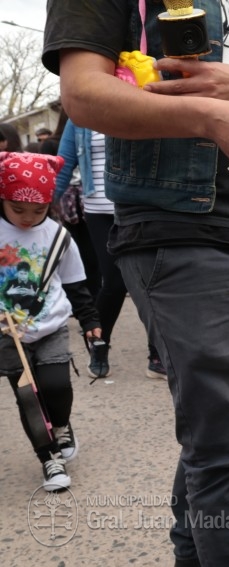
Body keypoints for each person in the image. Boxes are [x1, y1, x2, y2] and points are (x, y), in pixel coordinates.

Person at [43, 0, 229, 564]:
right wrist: (208, 114)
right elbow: (81, 93)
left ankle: (192, 554)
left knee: (223, 430)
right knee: (228, 439)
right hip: (174, 228)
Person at [0, 152, 102, 490]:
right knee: (27, 394)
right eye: (18, 210)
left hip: (51, 324)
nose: (28, 218)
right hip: (6, 331)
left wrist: (89, 321)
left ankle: (61, 424)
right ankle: (49, 460)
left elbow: (74, 281)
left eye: (38, 211)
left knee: (57, 386)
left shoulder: (58, 236)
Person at [54, 119, 166, 380]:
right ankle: (99, 345)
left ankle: (158, 354)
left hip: (141, 207)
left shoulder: (141, 101)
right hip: (99, 211)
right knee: (114, 282)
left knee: (152, 279)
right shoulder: (80, 118)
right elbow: (63, 162)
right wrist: (45, 209)